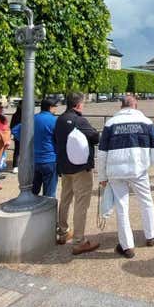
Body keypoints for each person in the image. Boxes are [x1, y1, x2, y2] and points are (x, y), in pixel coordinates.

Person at [98, 95, 154, 258]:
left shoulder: (110, 123)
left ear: (122, 106)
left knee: (122, 207)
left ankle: (127, 247)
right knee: (146, 202)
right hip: (138, 169)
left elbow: (102, 154)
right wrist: (146, 164)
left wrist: (102, 176)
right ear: (135, 105)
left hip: (115, 171)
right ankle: (150, 236)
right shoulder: (146, 122)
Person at [54, 92, 101, 254]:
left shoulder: (59, 119)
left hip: (64, 166)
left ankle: (63, 232)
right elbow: (95, 137)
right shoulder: (79, 120)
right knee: (81, 203)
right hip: (80, 168)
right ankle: (79, 241)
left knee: (65, 199)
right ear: (78, 105)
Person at [32, 98, 60, 197]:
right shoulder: (54, 120)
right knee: (49, 194)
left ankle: (31, 210)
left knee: (33, 191)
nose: (56, 108)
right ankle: (47, 212)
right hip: (50, 159)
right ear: (50, 107)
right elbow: (60, 138)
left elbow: (16, 131)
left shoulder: (32, 118)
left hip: (34, 160)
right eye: (55, 106)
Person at [10, 100, 22, 173]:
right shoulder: (16, 115)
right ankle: (15, 166)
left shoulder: (28, 114)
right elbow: (12, 126)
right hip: (18, 135)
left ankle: (21, 165)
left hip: (25, 135)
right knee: (17, 150)